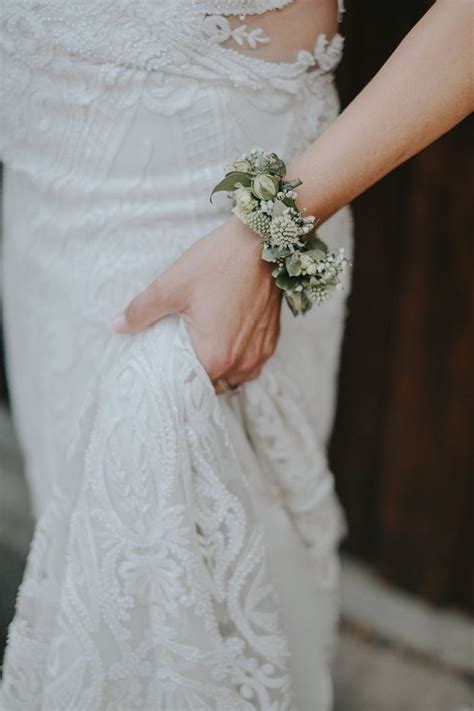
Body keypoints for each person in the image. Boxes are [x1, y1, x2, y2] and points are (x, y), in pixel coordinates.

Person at [0, 1, 471, 709]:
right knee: (91, 576)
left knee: (209, 623)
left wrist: (268, 232)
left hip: (214, 246)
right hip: (44, 207)